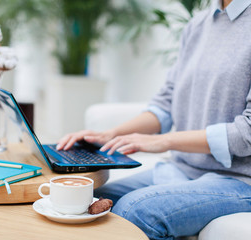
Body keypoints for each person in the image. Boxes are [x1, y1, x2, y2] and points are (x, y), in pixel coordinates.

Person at [56, 0, 251, 239]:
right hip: (183, 169)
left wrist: (166, 141)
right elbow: (166, 103)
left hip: (241, 180)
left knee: (136, 210)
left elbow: (246, 133)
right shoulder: (198, 24)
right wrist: (111, 134)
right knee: (84, 201)